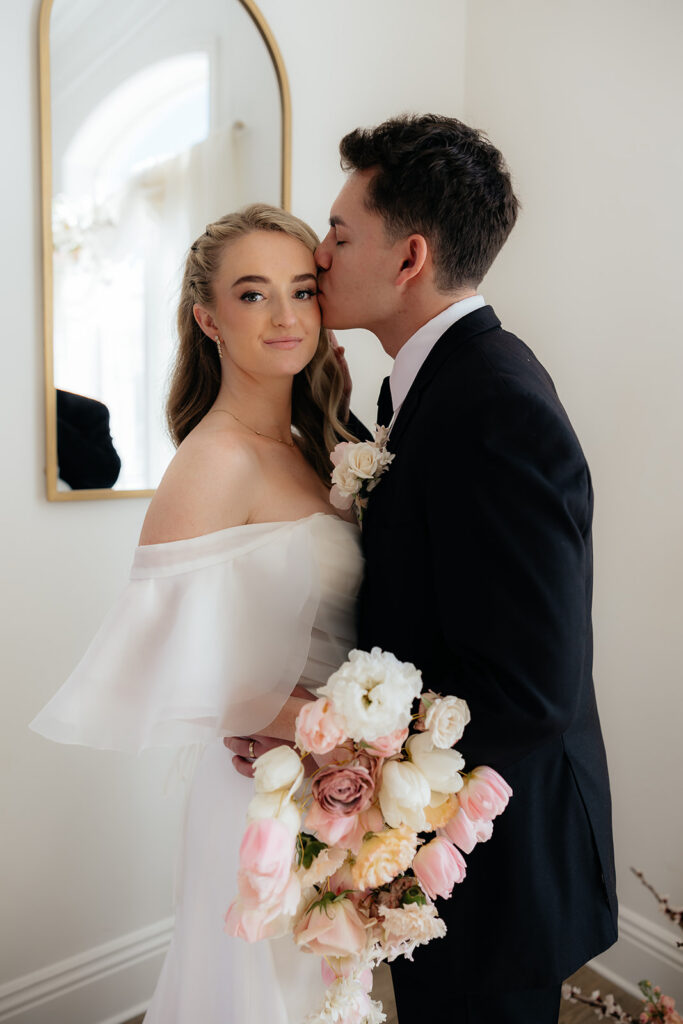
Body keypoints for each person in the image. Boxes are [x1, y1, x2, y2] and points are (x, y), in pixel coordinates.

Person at [237, 114, 619, 1023]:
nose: (319, 256)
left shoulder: (494, 405)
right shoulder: (429, 383)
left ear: (407, 258)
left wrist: (328, 740)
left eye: (337, 234)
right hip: (442, 838)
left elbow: (528, 688)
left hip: (502, 858)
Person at [30, 204, 363, 1023]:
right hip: (263, 791)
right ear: (207, 317)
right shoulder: (214, 459)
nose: (286, 316)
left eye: (300, 291)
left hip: (331, 784)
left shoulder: (312, 444)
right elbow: (164, 670)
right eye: (253, 296)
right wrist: (342, 731)